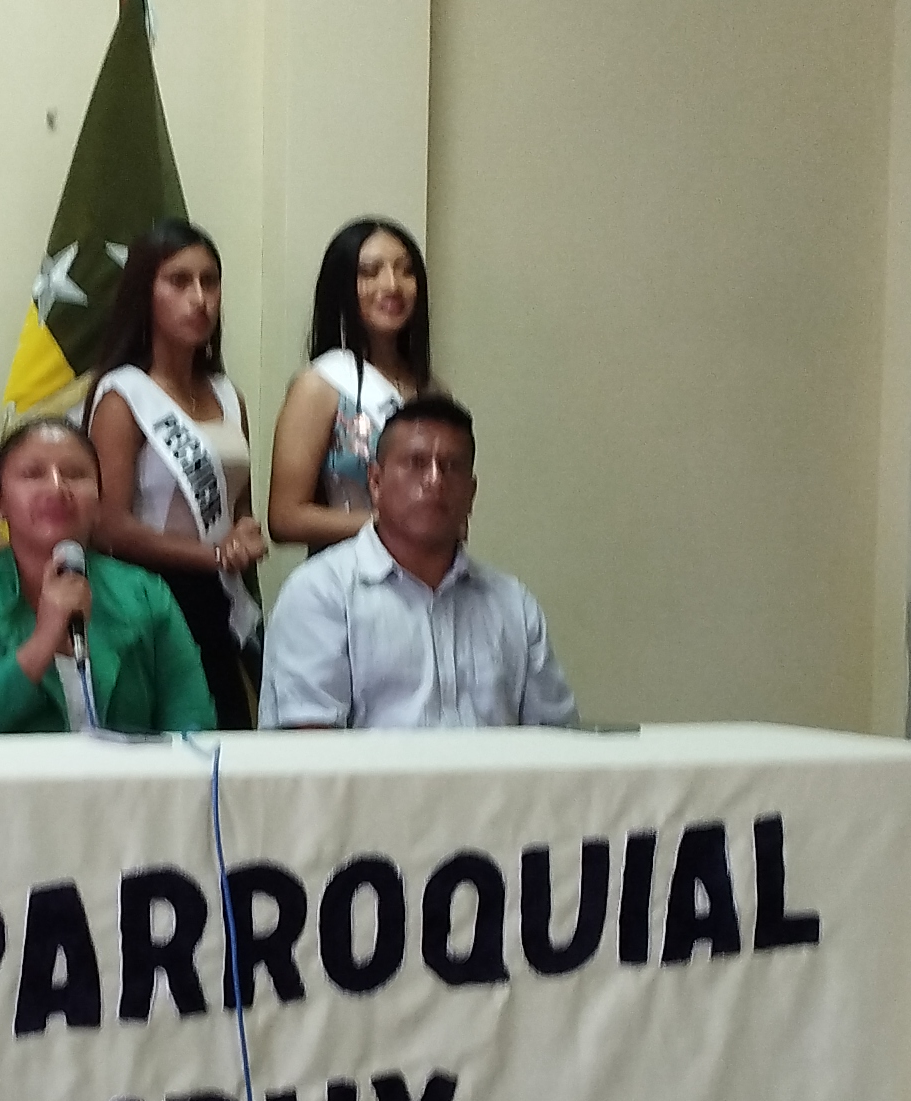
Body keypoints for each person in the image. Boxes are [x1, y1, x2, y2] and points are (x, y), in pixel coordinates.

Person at [259, 393, 577, 730]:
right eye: (416, 463)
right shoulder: (321, 593)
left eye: (451, 467)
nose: (435, 480)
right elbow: (309, 748)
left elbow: (557, 738)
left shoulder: (513, 605)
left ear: (471, 494)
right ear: (376, 483)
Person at [0, 418, 215, 737]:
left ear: (99, 502)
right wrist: (41, 646)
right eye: (33, 474)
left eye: (75, 474)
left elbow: (194, 725)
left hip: (130, 771)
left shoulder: (146, 593)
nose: (56, 487)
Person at [81, 220, 265, 730]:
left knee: (230, 736)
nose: (199, 299)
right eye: (179, 282)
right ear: (145, 293)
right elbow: (109, 526)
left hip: (223, 597)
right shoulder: (124, 396)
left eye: (210, 281)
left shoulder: (228, 394)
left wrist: (246, 532)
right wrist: (212, 555)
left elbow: (239, 505)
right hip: (152, 597)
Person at [265, 218, 431, 550]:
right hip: (345, 574)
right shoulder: (320, 385)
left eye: (406, 271)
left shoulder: (431, 391)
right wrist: (393, 524)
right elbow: (284, 518)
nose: (392, 284)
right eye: (370, 272)